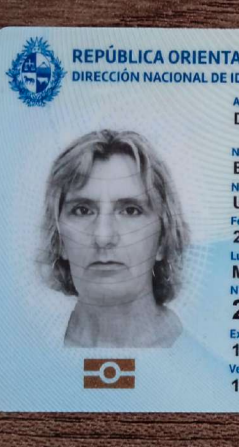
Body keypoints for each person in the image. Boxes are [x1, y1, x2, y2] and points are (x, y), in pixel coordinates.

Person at [39, 130, 189, 348]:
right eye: (82, 210)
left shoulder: (195, 349)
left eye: (130, 211)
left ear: (163, 239)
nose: (103, 236)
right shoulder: (32, 347)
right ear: (59, 239)